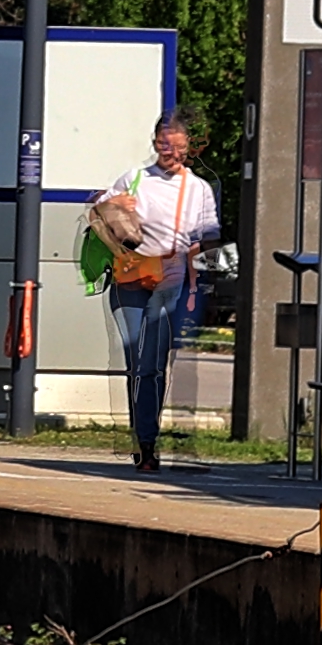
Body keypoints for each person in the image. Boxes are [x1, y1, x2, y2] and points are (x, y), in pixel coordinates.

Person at [89, 112, 221, 472]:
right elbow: (98, 214)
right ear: (155, 144)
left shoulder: (199, 191)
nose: (171, 153)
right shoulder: (134, 180)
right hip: (129, 280)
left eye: (178, 147)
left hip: (170, 283)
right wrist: (112, 205)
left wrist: (198, 286)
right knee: (137, 362)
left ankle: (146, 442)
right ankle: (142, 441)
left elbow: (206, 241)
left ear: (189, 148)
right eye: (165, 146)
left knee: (151, 364)